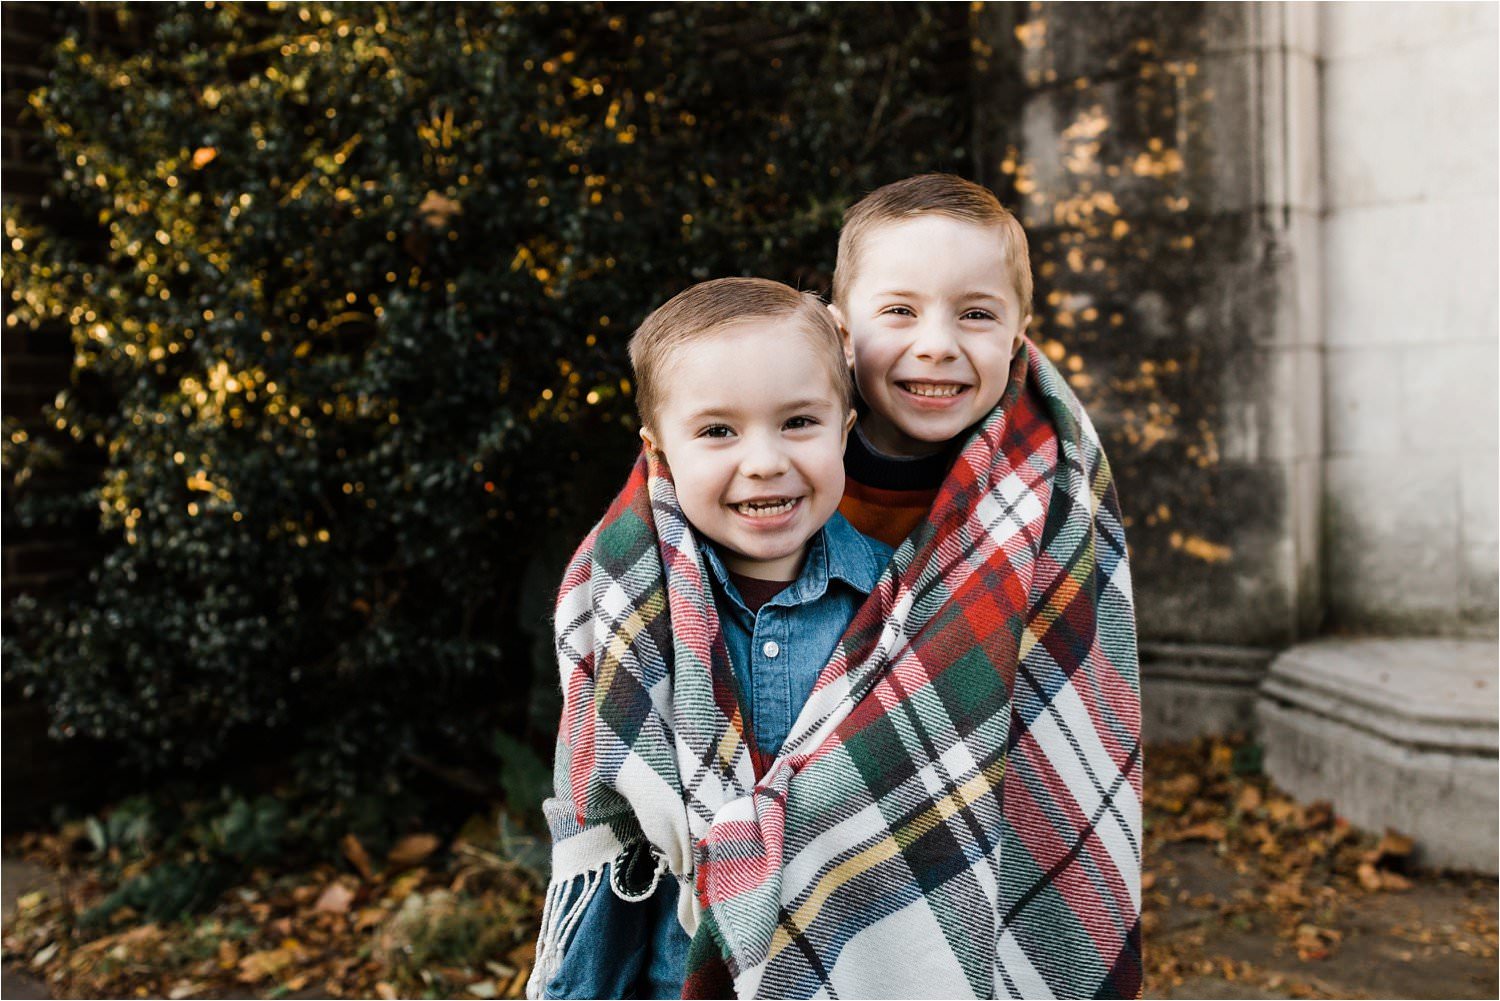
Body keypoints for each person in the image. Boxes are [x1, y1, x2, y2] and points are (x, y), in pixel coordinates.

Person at [535, 174, 1140, 1001]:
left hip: (929, 862)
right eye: (900, 311)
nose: (936, 344)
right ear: (841, 327)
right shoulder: (774, 423)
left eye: (976, 313)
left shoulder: (1044, 490)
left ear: (1018, 333)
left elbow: (1064, 705)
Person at [531, 278, 893, 999]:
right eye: (718, 431)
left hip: (858, 960)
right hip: (683, 968)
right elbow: (596, 818)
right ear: (659, 448)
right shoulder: (624, 610)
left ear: (845, 427)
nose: (763, 460)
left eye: (798, 422)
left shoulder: (900, 602)